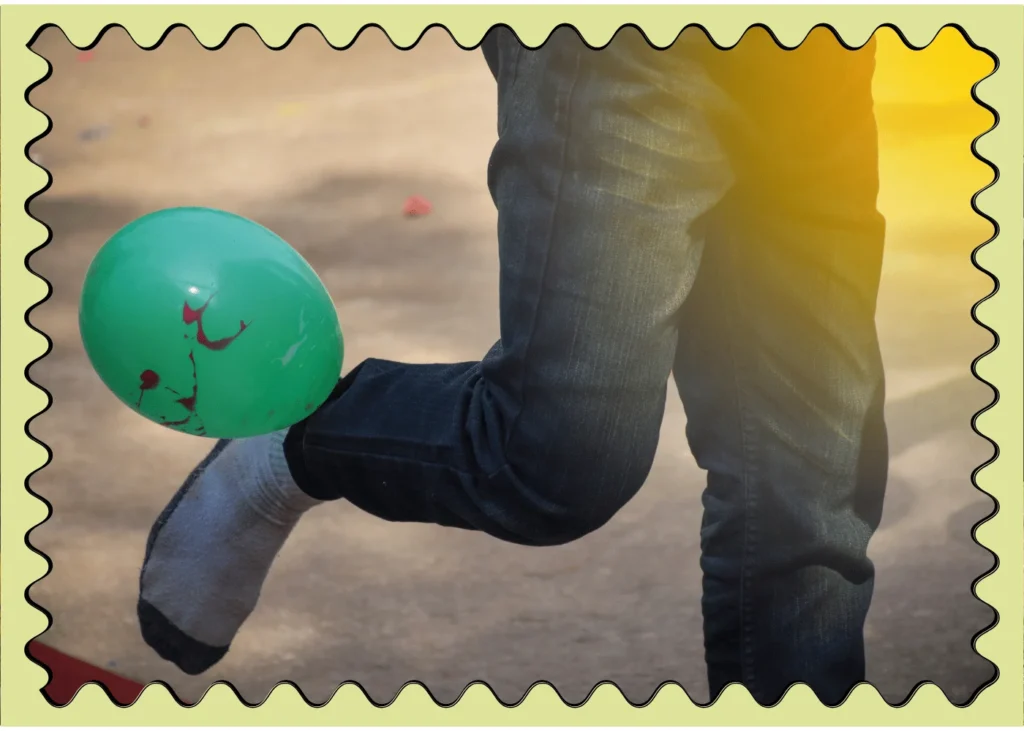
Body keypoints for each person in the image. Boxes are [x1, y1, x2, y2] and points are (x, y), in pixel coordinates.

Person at [136, 26, 889, 707]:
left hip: (816, 57)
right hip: (628, 49)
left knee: (811, 481)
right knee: (557, 455)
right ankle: (293, 450)